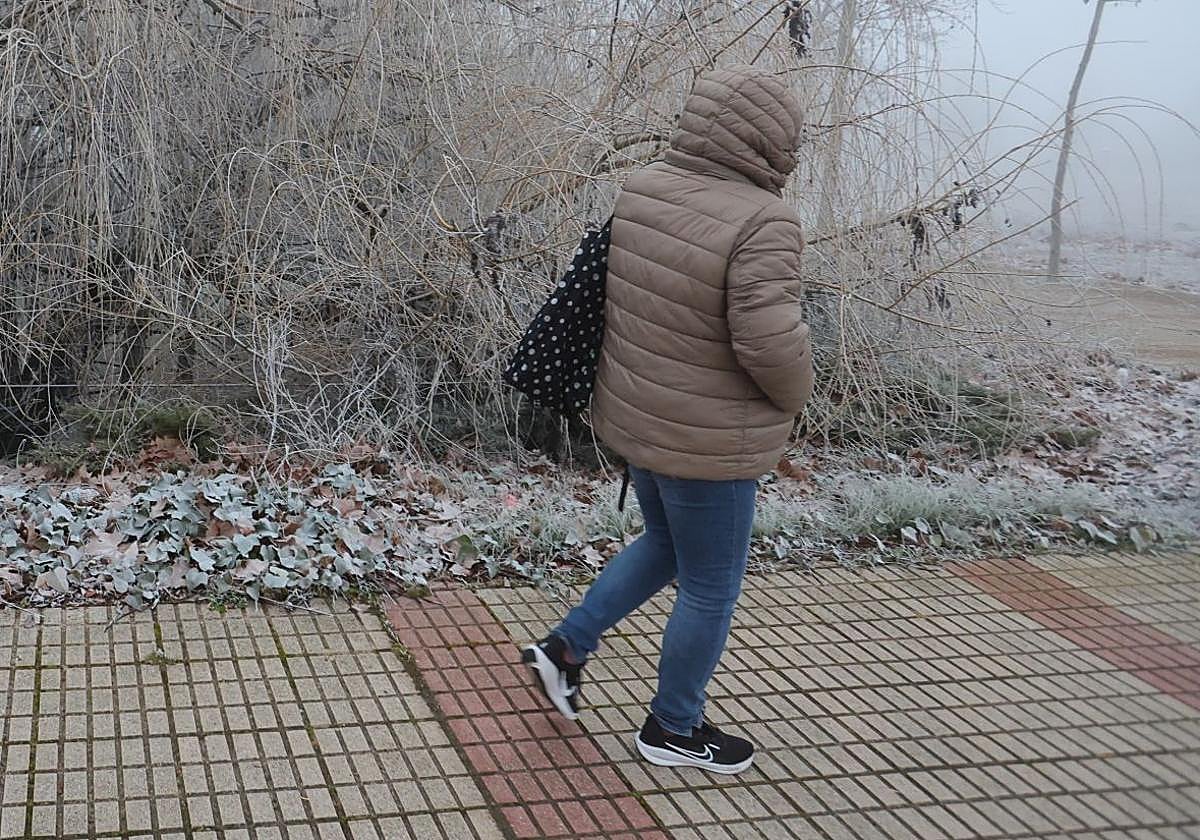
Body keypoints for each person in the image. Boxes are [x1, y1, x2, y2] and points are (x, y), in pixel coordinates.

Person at [521, 65, 814, 775]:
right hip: (710, 439)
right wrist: (801, 388)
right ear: (769, 141)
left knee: (665, 543)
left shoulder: (645, 187)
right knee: (711, 585)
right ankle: (674, 729)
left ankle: (565, 649)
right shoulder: (763, 219)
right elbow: (771, 345)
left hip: (640, 419)